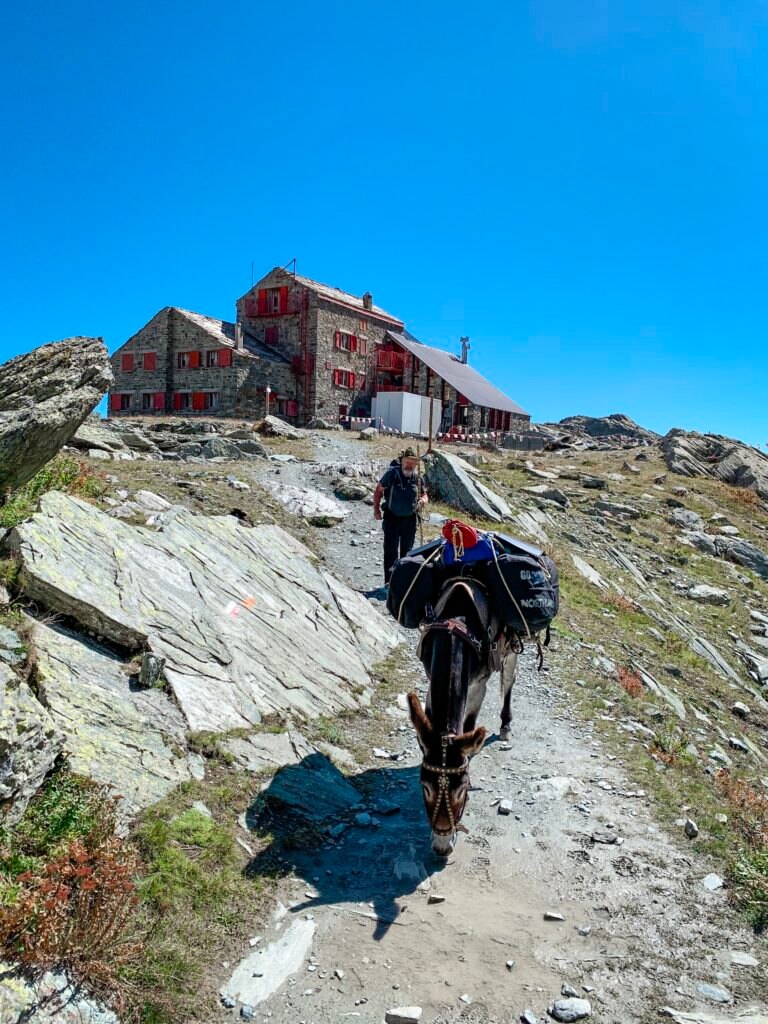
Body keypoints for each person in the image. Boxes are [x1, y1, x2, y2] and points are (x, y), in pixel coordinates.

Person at [373, 447, 428, 585]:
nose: (409, 465)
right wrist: (376, 510)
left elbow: (424, 494)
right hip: (392, 517)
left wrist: (423, 500)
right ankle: (389, 583)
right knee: (390, 550)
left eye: (412, 462)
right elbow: (378, 491)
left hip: (410, 519)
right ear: (402, 461)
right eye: (407, 461)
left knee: (407, 551)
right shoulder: (392, 474)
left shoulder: (418, 478)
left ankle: (402, 583)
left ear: (416, 464)